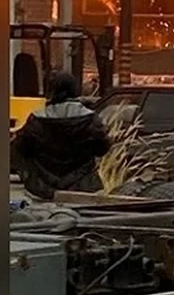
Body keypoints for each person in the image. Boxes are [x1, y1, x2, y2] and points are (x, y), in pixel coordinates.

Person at [13, 71, 111, 200]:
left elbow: (19, 150)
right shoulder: (89, 119)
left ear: (51, 90)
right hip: (83, 189)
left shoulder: (36, 120)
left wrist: (28, 175)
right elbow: (102, 148)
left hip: (42, 191)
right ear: (75, 90)